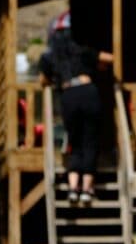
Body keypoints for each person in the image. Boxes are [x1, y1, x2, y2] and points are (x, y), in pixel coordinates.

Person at [38, 11, 114, 206]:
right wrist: (99, 66)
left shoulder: (50, 56)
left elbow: (43, 80)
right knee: (90, 140)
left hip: (68, 95)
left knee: (75, 141)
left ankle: (73, 188)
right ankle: (87, 189)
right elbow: (109, 58)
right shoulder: (81, 49)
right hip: (88, 92)